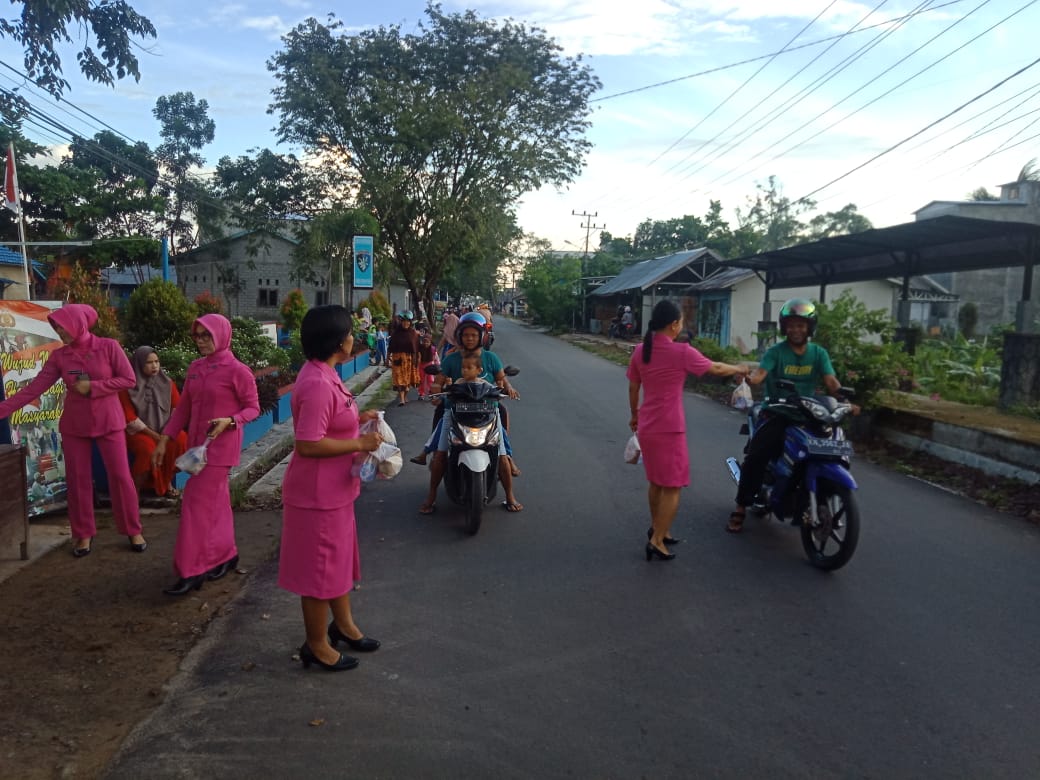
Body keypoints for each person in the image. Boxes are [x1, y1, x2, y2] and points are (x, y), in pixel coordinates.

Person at [278, 305, 384, 672]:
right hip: (316, 497)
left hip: (335, 492)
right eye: (351, 332)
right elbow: (308, 444)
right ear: (339, 342)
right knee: (319, 571)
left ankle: (344, 626)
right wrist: (360, 445)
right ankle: (317, 644)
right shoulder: (318, 383)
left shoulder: (325, 374)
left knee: (336, 564)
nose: (355, 336)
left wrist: (359, 419)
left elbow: (333, 420)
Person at [0, 303, 147, 557]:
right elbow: (34, 389)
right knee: (77, 482)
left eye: (63, 327)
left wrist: (93, 387)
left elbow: (128, 379)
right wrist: (2, 409)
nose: (59, 332)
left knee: (121, 477)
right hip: (75, 426)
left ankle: (133, 529)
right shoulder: (60, 356)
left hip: (109, 422)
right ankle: (83, 534)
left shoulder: (108, 347)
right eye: (56, 327)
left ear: (78, 324)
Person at [627, 299, 748, 561]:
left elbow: (633, 388)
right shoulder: (681, 352)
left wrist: (634, 416)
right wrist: (739, 368)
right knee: (672, 486)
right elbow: (715, 368)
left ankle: (660, 529)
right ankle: (657, 540)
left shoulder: (640, 351)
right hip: (670, 429)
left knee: (656, 482)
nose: (681, 326)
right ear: (673, 325)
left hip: (648, 425)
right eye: (680, 321)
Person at [152, 314, 260, 595]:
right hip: (197, 448)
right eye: (197, 336)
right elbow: (184, 408)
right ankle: (225, 554)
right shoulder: (196, 368)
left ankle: (191, 569)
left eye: (206, 335)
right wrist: (165, 439)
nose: (200, 341)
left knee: (194, 505)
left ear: (221, 335)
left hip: (220, 449)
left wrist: (231, 420)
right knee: (217, 505)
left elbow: (253, 408)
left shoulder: (238, 371)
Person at [727, 298, 852, 533]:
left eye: (801, 325)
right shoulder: (776, 352)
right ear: (785, 328)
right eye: (792, 325)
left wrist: (845, 398)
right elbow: (761, 373)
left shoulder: (818, 353)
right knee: (757, 455)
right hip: (777, 412)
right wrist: (749, 379)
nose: (796, 330)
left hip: (809, 414)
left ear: (809, 327)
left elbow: (830, 381)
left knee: (831, 446)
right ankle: (740, 507)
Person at [419, 311, 522, 514]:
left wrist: (508, 388)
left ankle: (510, 496)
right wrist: (436, 393)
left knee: (502, 455)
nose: (470, 338)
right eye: (466, 335)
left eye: (474, 335)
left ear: (482, 336)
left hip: (488, 412)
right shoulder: (451, 359)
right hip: (454, 411)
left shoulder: (491, 358)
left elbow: (502, 379)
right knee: (440, 455)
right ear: (459, 336)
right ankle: (431, 496)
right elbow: (438, 382)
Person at [119, 346, 188, 501]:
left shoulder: (167, 383)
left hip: (164, 430)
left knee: (181, 439)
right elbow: (129, 418)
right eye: (149, 362)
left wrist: (166, 434)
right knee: (148, 449)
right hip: (137, 432)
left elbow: (177, 410)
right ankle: (133, 491)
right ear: (138, 364)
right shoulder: (127, 387)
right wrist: (156, 436)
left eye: (156, 361)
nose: (154, 366)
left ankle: (166, 483)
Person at [388, 309, 420, 406]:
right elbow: (390, 347)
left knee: (408, 380)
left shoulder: (413, 333)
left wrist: (418, 359)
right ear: (401, 322)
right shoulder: (395, 334)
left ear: (410, 322)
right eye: (404, 321)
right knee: (400, 379)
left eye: (408, 322)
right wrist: (386, 359)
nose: (406, 323)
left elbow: (416, 348)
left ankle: (405, 396)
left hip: (410, 359)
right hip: (398, 359)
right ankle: (401, 399)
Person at [417, 331, 437, 398]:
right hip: (421, 365)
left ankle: (431, 393)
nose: (426, 343)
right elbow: (419, 358)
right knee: (421, 380)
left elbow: (435, 358)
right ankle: (421, 393)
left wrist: (435, 365)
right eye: (424, 341)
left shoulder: (433, 349)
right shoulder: (420, 348)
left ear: (430, 342)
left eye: (427, 342)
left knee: (431, 380)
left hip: (429, 365)